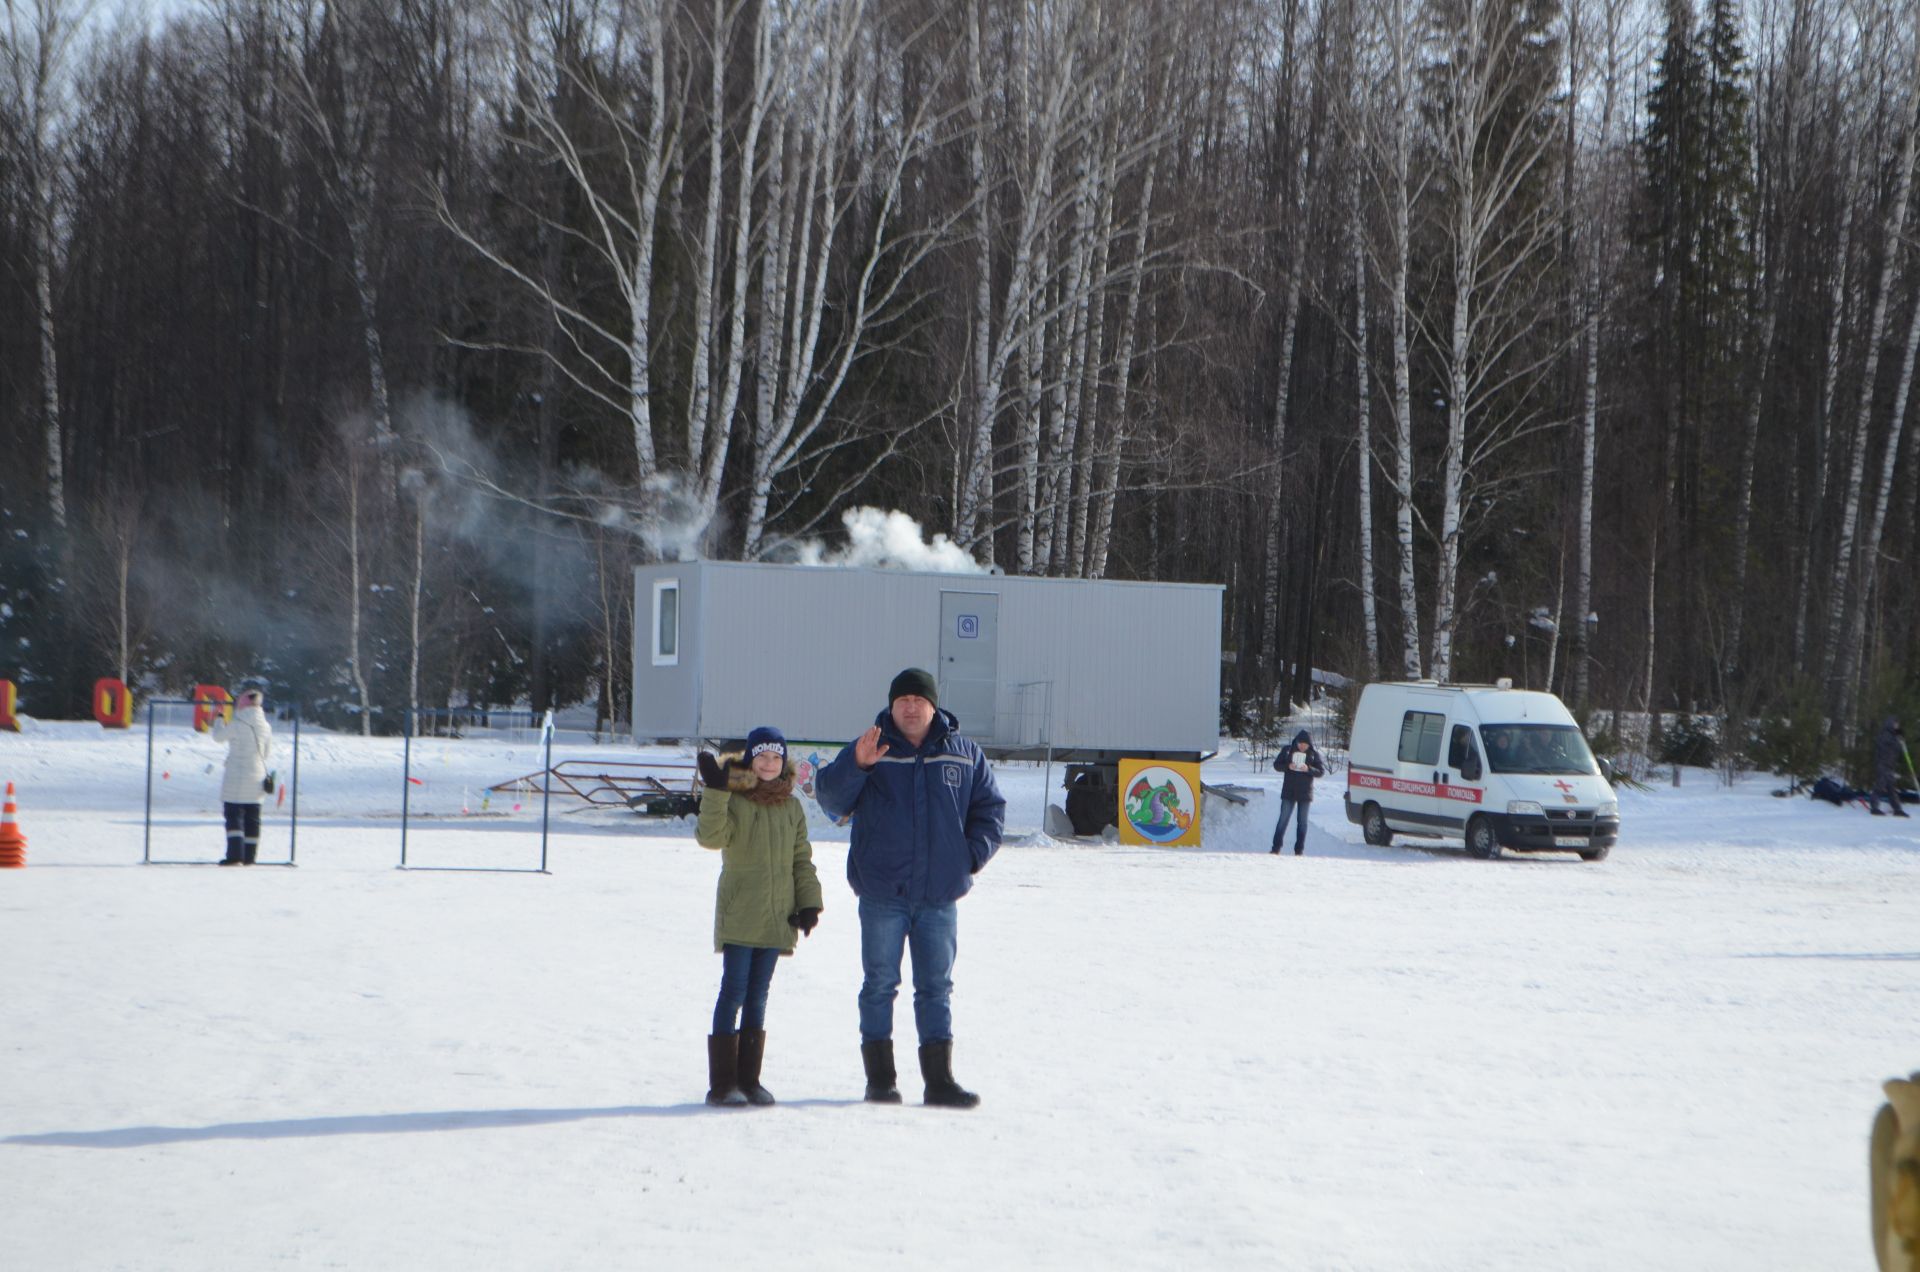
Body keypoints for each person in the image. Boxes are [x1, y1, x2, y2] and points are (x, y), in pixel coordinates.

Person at [816, 667, 1006, 1109]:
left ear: (933, 705)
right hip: (883, 892)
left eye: (918, 700)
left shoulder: (964, 753)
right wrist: (857, 765)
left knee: (936, 987)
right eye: (902, 700)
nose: (911, 707)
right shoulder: (871, 746)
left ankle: (939, 1081)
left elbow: (990, 811)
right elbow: (829, 800)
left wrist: (968, 857)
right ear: (892, 705)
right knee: (880, 984)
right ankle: (880, 1081)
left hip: (939, 897)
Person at [695, 726, 823, 1107]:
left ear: (784, 763)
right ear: (750, 759)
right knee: (733, 991)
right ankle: (723, 1084)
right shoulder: (734, 799)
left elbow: (801, 859)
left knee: (758, 997)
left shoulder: (791, 807)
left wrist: (808, 903)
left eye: (776, 757)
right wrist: (717, 791)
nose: (769, 764)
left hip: (776, 917)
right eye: (762, 756)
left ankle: (749, 1080)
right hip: (741, 914)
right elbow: (710, 836)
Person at [211, 682, 273, 865]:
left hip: (236, 779)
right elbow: (267, 753)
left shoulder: (238, 723)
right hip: (257, 778)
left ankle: (235, 855)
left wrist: (219, 719)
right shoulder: (266, 727)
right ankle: (250, 856)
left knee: (234, 817)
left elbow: (218, 737)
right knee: (253, 819)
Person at [1269, 728, 1326, 855]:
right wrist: (1288, 767)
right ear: (1296, 742)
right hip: (1289, 791)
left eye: (1305, 744)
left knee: (1302, 823)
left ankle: (1299, 850)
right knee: (1283, 819)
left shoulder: (1313, 754)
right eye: (1300, 743)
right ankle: (1275, 848)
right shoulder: (1287, 750)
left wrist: (1308, 769)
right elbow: (1277, 765)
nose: (1302, 746)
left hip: (1305, 793)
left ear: (1309, 744)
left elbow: (1321, 772)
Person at [1869, 716, 1911, 817]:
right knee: (1880, 785)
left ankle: (1897, 809)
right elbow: (1886, 746)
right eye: (1895, 724)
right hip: (1883, 764)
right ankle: (1874, 807)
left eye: (1898, 724)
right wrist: (1897, 739)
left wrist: (1900, 739)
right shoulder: (1885, 735)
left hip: (1890, 765)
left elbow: (1897, 750)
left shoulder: (1894, 736)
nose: (1897, 726)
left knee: (1892, 788)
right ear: (1890, 724)